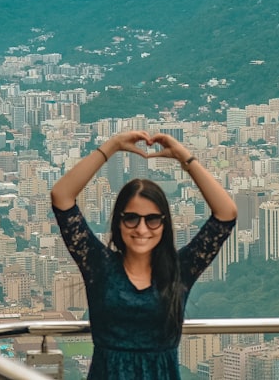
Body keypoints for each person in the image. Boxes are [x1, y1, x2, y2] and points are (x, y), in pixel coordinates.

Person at [51, 130, 237, 379]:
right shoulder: (99, 266)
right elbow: (61, 196)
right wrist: (113, 145)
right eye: (131, 218)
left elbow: (226, 213)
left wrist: (185, 158)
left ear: (164, 223)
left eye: (152, 219)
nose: (141, 229)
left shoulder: (179, 270)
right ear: (118, 222)